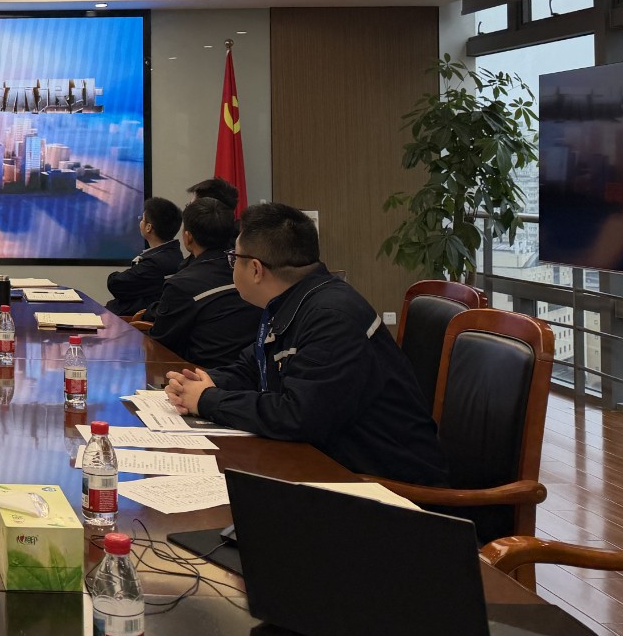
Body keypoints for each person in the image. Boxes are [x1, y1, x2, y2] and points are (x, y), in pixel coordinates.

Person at [165, 203, 447, 486]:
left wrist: (207, 399)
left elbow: (298, 416)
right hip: (333, 465)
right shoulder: (294, 302)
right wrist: (201, 383)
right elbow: (253, 369)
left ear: (255, 269)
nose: (231, 266)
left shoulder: (331, 318)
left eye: (233, 258)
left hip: (387, 486)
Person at [137, 198, 259, 367]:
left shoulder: (182, 284)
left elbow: (161, 343)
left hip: (199, 373)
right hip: (250, 370)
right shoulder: (251, 273)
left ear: (188, 237)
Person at [105, 197, 183, 317]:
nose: (140, 222)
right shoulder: (174, 254)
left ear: (148, 227)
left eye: (142, 219)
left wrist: (114, 275)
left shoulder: (154, 263)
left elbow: (116, 284)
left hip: (131, 320)